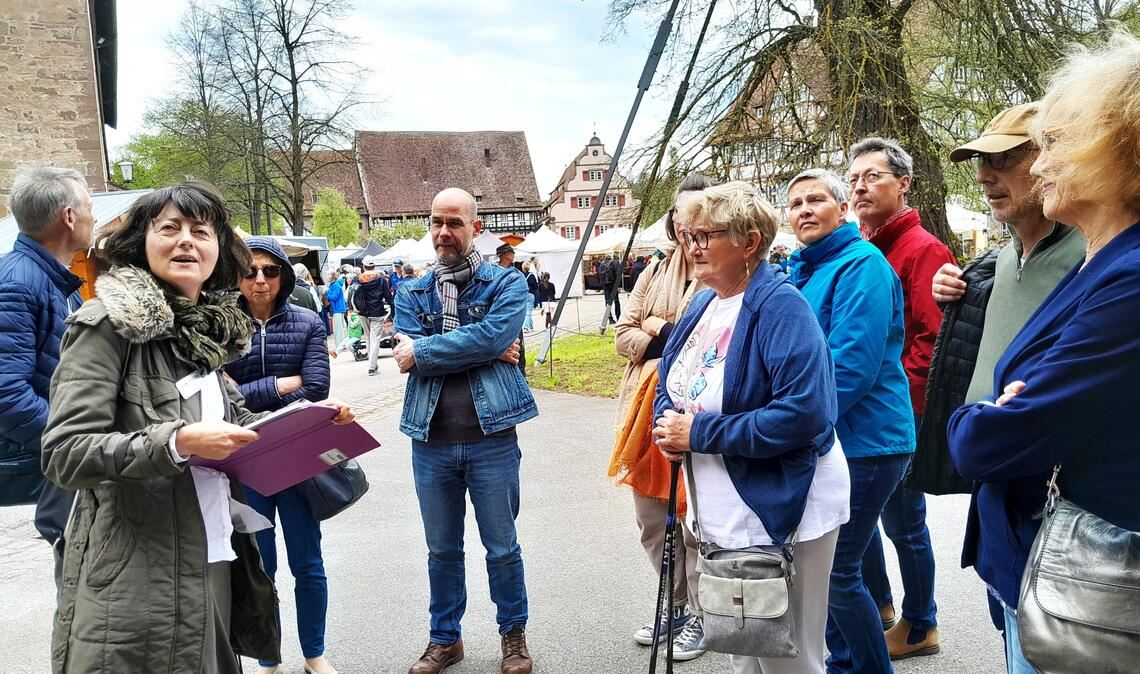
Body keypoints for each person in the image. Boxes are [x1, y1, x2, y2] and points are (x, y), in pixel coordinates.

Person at [40, 182, 355, 673]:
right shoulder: (106, 324)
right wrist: (176, 442)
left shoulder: (204, 333)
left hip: (213, 554)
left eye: (200, 231)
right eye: (170, 228)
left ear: (217, 250)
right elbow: (65, 452)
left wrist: (310, 425)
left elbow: (237, 424)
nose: (186, 240)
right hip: (136, 572)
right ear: (141, 242)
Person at [948, 33, 1140, 672]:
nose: (1039, 164)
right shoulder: (1100, 259)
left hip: (1084, 580)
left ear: (1118, 147)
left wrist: (978, 420)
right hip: (1036, 557)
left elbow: (995, 439)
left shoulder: (1131, 275)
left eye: (1053, 144)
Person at [652, 181, 849, 674]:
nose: (691, 246)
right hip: (722, 509)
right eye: (687, 235)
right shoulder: (703, 302)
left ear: (750, 242)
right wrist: (665, 423)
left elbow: (805, 413)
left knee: (790, 657)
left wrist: (697, 435)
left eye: (705, 235)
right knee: (741, 646)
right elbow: (671, 380)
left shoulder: (781, 307)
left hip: (783, 506)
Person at [393, 188, 535, 674]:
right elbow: (411, 349)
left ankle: (513, 638)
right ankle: (444, 639)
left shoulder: (506, 284)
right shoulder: (411, 290)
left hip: (491, 438)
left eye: (454, 222)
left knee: (502, 548)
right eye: (436, 222)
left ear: (476, 227)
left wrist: (432, 350)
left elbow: (488, 336)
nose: (443, 232)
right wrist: (484, 348)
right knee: (441, 551)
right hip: (429, 440)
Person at [916, 103, 1084, 505]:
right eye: (981, 162)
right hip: (992, 473)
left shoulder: (1092, 256)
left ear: (1050, 159)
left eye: (1003, 159)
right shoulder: (995, 263)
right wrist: (958, 301)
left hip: (1058, 482)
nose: (982, 176)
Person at [785, 169, 915, 674]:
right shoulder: (806, 269)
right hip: (831, 439)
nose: (804, 210)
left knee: (839, 571)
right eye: (795, 203)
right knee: (828, 570)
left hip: (867, 440)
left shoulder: (860, 264)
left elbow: (850, 366)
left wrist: (792, 429)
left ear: (843, 209)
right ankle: (843, 664)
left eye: (816, 199)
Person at [849, 136, 954, 659]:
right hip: (865, 416)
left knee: (904, 525)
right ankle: (880, 606)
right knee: (860, 520)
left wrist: (896, 404)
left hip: (897, 417)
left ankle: (920, 623)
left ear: (903, 184)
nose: (861, 186)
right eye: (854, 179)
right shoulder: (865, 248)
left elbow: (930, 345)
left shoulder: (923, 249)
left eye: (873, 176)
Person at [610, 174, 714, 661]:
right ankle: (671, 604)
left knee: (693, 525)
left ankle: (700, 613)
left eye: (696, 212)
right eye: (678, 212)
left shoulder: (722, 267)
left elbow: (710, 344)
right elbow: (621, 335)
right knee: (652, 522)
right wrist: (662, 335)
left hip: (694, 419)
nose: (685, 222)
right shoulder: (655, 270)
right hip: (642, 415)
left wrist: (660, 330)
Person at [226, 237, 337, 674]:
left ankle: (314, 653)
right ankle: (268, 657)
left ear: (284, 276)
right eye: (251, 271)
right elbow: (219, 393)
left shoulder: (308, 322)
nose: (259, 280)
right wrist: (280, 385)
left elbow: (316, 388)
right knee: (261, 566)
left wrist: (254, 392)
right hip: (246, 458)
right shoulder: (224, 325)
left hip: (296, 456)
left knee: (308, 563)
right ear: (237, 275)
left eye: (270, 271)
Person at [0, 166, 93, 586]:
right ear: (69, 217)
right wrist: (71, 439)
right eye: (89, 207)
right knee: (79, 578)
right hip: (54, 451)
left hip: (63, 448)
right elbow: (6, 393)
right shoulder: (18, 282)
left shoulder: (54, 278)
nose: (93, 216)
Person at [352, 255, 393, 376]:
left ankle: (373, 364)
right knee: (375, 339)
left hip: (362, 312)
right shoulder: (380, 279)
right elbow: (388, 296)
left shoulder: (358, 278)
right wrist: (392, 308)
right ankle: (371, 367)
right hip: (377, 312)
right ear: (374, 266)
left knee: (369, 338)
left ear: (364, 266)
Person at [497, 242, 529, 371]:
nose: (514, 255)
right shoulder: (494, 273)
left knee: (518, 345)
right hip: (500, 315)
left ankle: (520, 372)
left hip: (514, 314)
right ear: (506, 255)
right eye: (512, 253)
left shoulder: (515, 272)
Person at [598, 253, 623, 333]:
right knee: (616, 301)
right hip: (613, 285)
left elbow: (599, 276)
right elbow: (618, 274)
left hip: (606, 285)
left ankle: (610, 318)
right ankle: (618, 317)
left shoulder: (602, 264)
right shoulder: (615, 263)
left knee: (607, 302)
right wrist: (618, 286)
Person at [326, 269, 348, 353]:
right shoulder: (336, 285)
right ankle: (342, 345)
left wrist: (327, 294)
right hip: (338, 309)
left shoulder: (335, 285)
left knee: (338, 329)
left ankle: (340, 346)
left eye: (328, 275)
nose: (326, 277)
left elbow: (334, 297)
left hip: (337, 309)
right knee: (341, 328)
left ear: (332, 276)